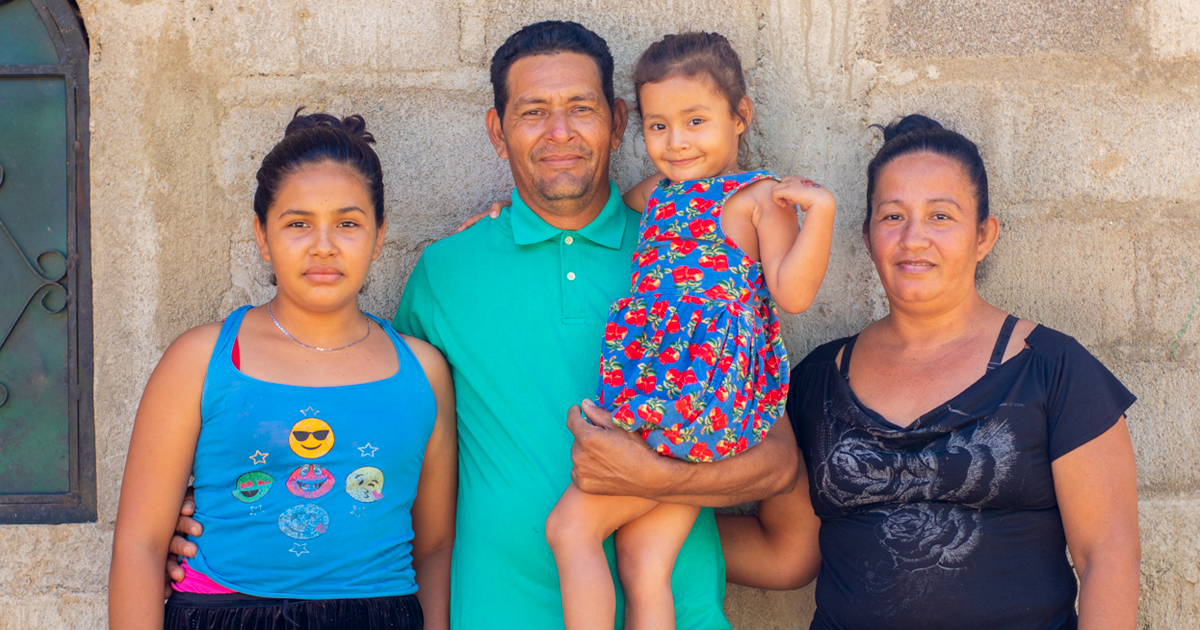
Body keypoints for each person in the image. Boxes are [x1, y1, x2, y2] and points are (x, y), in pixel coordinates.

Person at [717, 114, 1141, 629]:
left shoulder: (1053, 370)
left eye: (941, 216)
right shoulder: (815, 382)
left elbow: (1108, 557)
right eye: (892, 217)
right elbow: (787, 556)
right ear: (868, 234)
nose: (914, 238)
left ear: (984, 236)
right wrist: (634, 509)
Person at [110, 112, 457, 630]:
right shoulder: (201, 360)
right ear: (263, 236)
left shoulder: (422, 372)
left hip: (381, 614)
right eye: (298, 223)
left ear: (379, 236)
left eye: (347, 223)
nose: (323, 245)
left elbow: (433, 547)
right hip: (223, 613)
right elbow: (140, 544)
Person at [543, 32, 836, 630]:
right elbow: (589, 227)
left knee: (569, 528)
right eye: (658, 126)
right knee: (644, 563)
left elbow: (794, 293)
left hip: (693, 401)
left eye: (695, 121)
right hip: (653, 393)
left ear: (740, 117)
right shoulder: (655, 195)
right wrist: (501, 215)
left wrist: (821, 215)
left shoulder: (758, 200)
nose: (676, 142)